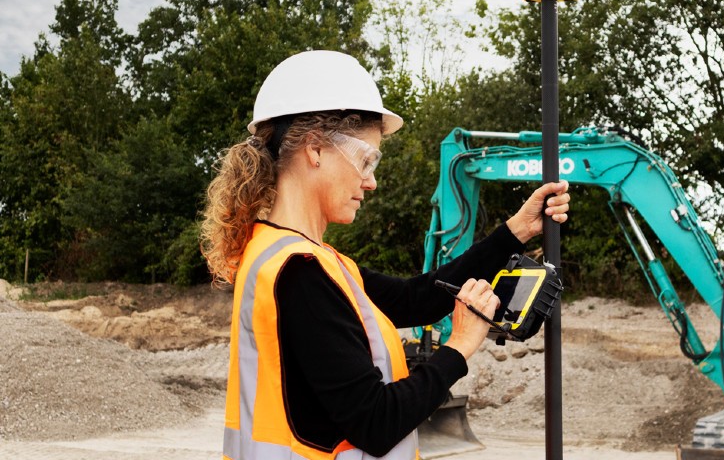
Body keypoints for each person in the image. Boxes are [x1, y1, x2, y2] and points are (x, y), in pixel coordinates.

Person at [201, 50, 570, 460]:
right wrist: (460, 347)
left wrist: (515, 231)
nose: (371, 181)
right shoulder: (298, 272)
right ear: (314, 149)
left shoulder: (296, 256)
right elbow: (376, 422)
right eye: (366, 159)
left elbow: (418, 298)